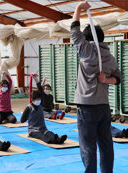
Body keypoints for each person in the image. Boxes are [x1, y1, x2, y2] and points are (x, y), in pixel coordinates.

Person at [71, 2, 122, 173]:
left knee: (88, 148)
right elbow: (119, 79)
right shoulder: (109, 55)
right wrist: (106, 79)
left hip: (87, 108)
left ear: (88, 40)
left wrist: (78, 9)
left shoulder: (86, 50)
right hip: (103, 107)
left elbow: (74, 30)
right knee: (106, 145)